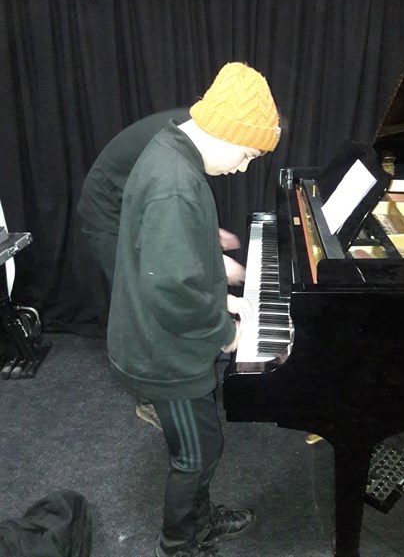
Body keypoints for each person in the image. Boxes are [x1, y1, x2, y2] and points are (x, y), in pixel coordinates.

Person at [106, 62, 281, 557]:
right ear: (225, 132)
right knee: (195, 454)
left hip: (168, 337)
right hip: (164, 352)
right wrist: (227, 335)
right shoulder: (175, 184)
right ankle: (180, 544)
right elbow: (171, 292)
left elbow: (174, 261)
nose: (244, 167)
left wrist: (222, 296)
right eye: (247, 154)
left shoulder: (171, 152)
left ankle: (199, 521)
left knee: (205, 445)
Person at [77, 108, 246, 430]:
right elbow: (166, 259)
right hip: (108, 213)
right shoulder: (176, 155)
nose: (242, 167)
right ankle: (152, 397)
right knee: (145, 305)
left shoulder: (195, 132)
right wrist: (213, 264)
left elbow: (171, 209)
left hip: (133, 204)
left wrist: (207, 238)